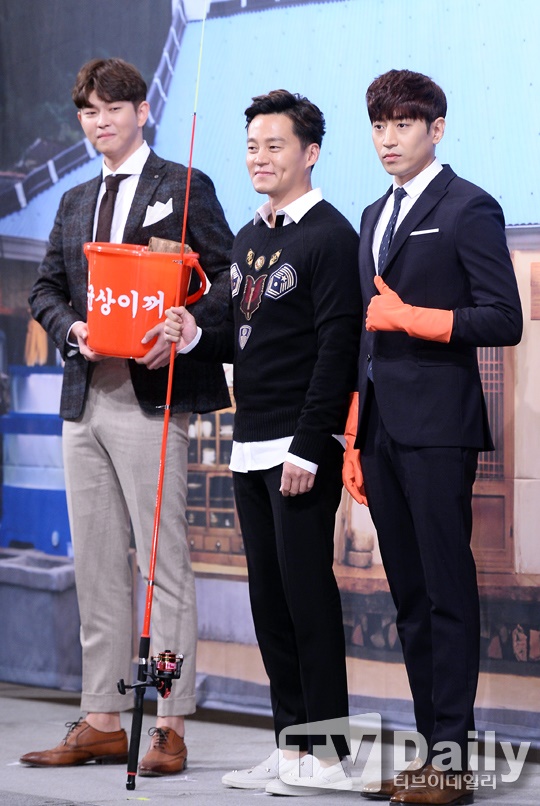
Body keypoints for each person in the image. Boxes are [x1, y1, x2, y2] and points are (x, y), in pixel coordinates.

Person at [20, 58, 233, 776]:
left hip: (154, 398)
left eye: (113, 108)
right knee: (98, 566)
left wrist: (186, 324)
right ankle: (104, 719)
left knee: (161, 567)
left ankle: (169, 723)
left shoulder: (184, 184)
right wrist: (73, 329)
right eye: (88, 111)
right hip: (85, 398)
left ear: (143, 111)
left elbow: (224, 278)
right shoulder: (75, 199)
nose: (100, 122)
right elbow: (46, 289)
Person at [164, 89, 361, 795]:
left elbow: (338, 349)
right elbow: (242, 337)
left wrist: (310, 445)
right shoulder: (250, 238)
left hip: (300, 447)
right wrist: (196, 334)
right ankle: (292, 746)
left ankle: (329, 754)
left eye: (274, 146)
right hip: (248, 443)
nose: (259, 158)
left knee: (307, 597)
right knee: (269, 602)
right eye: (252, 146)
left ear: (310, 153)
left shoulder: (331, 237)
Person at [343, 69, 522, 805]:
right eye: (378, 125)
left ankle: (453, 764)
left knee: (447, 593)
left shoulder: (468, 206)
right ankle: (430, 756)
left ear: (436, 129)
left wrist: (413, 318)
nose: (388, 139)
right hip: (380, 432)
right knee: (410, 599)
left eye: (403, 124)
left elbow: (503, 318)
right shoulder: (371, 214)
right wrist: (353, 434)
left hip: (440, 429)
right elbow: (366, 334)